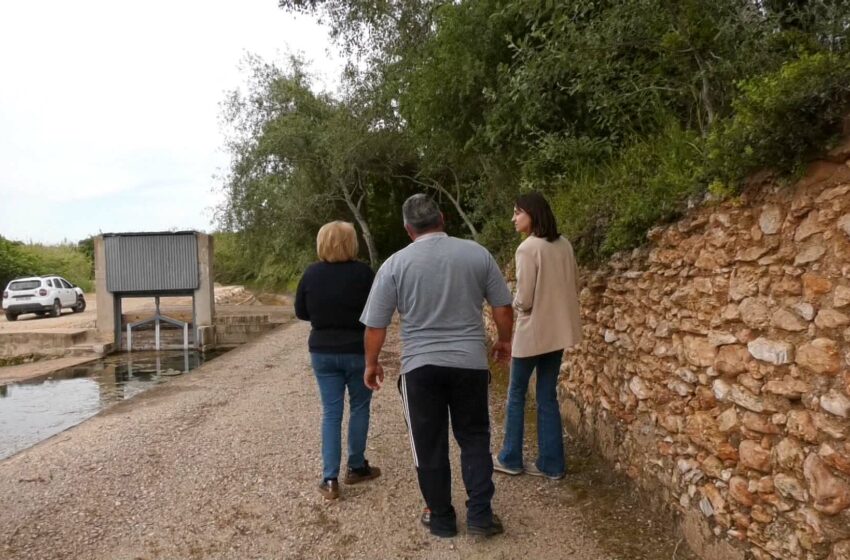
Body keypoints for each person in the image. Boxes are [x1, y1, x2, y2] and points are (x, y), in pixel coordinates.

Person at [360, 194, 514, 538]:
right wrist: (504, 341)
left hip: (420, 368)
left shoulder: (395, 265)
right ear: (443, 217)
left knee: (428, 443)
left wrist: (371, 363)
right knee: (474, 437)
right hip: (470, 364)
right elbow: (503, 307)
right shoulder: (477, 253)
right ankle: (480, 516)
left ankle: (442, 518)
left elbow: (375, 325)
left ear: (407, 228)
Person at [493, 191, 582, 481]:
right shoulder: (564, 244)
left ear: (532, 213)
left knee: (516, 394)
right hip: (558, 333)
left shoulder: (528, 248)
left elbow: (525, 299)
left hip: (532, 334)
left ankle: (510, 457)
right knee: (547, 396)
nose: (513, 218)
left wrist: (513, 302)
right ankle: (552, 464)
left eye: (518, 212)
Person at [295, 221, 381, 500]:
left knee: (331, 413)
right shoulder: (364, 274)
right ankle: (356, 466)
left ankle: (329, 478)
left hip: (323, 352)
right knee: (359, 408)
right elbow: (375, 313)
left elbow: (301, 312)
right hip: (358, 349)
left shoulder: (311, 274)